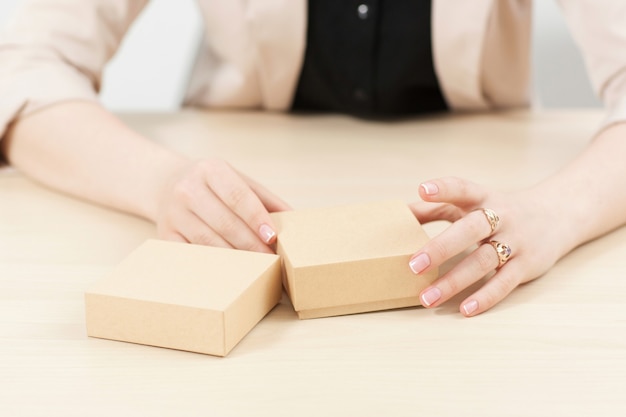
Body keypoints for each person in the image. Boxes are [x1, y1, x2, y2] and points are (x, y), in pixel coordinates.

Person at [1, 1, 625, 318]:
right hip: (239, 206)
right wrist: (159, 181)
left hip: (481, 201)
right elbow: (19, 67)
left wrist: (557, 211)